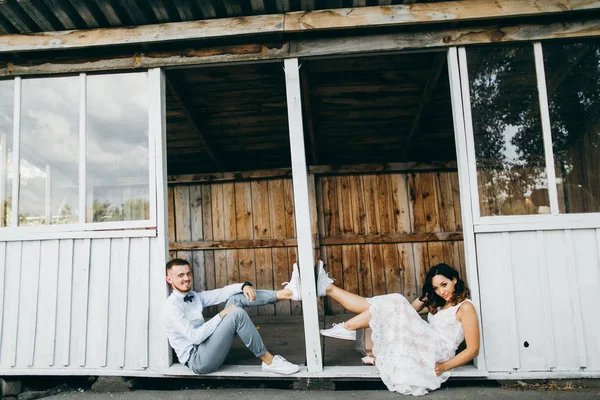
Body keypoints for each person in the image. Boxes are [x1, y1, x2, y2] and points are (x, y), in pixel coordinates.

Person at [314, 261, 480, 396]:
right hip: (425, 344)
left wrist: (444, 366)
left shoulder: (465, 307)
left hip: (436, 353)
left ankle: (344, 319)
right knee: (387, 306)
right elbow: (411, 309)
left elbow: (473, 349)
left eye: (444, 285)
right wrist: (427, 296)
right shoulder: (440, 304)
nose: (441, 291)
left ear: (455, 280)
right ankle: (329, 290)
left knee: (395, 301)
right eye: (436, 288)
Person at [162, 258, 302, 375]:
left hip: (207, 345)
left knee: (236, 298)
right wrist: (221, 315)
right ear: (169, 279)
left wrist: (244, 286)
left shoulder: (193, 296)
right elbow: (195, 337)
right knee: (236, 313)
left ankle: (288, 293)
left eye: (188, 274)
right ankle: (269, 361)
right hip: (198, 359)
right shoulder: (172, 307)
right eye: (180, 275)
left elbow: (222, 293)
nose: (186, 279)